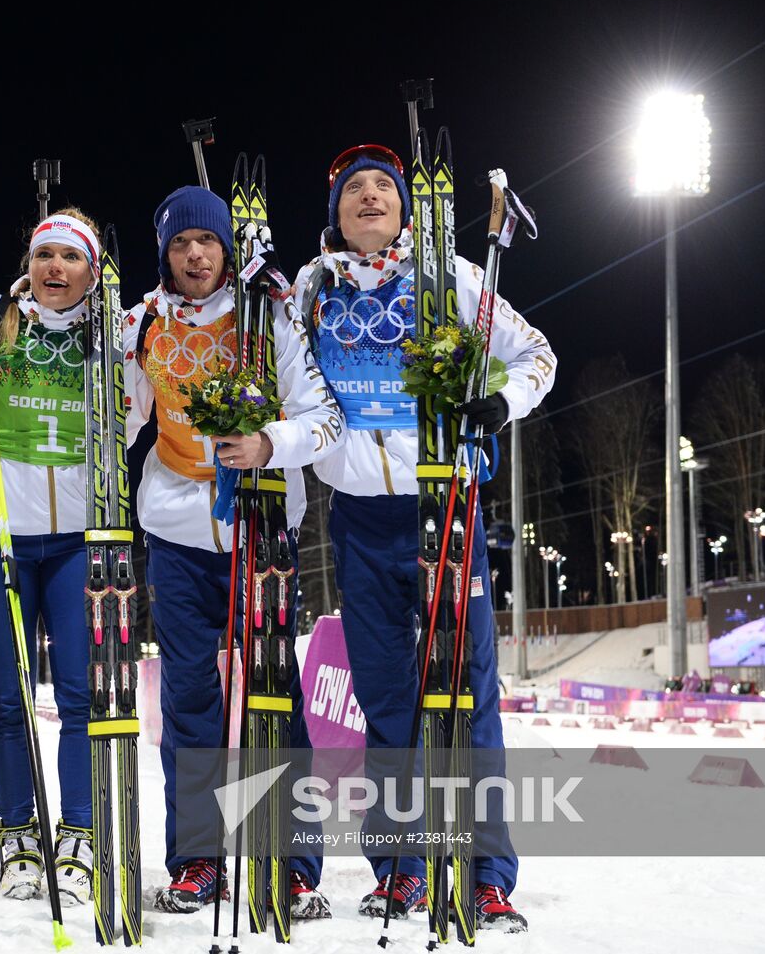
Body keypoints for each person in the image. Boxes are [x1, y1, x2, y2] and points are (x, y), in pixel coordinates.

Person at [294, 144, 556, 932]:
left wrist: (499, 404)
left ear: (408, 208)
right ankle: (403, 868)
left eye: (384, 187)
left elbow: (536, 355)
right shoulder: (312, 287)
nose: (370, 198)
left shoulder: (453, 278)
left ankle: (484, 874)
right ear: (336, 211)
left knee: (467, 691)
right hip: (360, 518)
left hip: (443, 505)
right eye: (354, 190)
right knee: (385, 698)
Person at [122, 186, 343, 918]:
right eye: (181, 243)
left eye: (206, 242)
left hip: (264, 523)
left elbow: (326, 420)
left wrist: (266, 444)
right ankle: (197, 860)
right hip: (177, 534)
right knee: (188, 700)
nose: (194, 254)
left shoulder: (267, 317)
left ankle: (294, 863)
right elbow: (114, 413)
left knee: (275, 699)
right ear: (166, 253)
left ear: (226, 250)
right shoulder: (140, 324)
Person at [0, 210, 100, 904]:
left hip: (75, 538)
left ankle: (79, 831)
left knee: (79, 694)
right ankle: (17, 830)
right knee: (8, 696)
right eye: (43, 253)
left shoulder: (114, 334)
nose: (54, 267)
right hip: (2, 533)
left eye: (69, 257)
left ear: (91, 271)